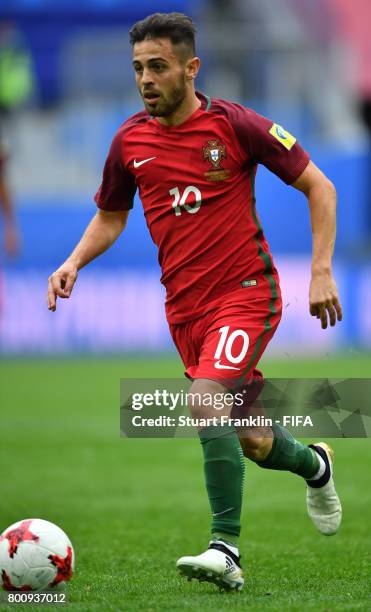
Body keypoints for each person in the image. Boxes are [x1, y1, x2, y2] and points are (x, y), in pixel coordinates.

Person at [47, 12, 343, 592]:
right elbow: (112, 215)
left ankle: (224, 550)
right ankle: (317, 464)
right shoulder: (129, 141)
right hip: (185, 313)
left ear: (191, 67)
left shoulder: (236, 126)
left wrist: (321, 271)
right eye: (137, 68)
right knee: (253, 440)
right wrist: (73, 261)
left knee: (206, 402)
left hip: (246, 293)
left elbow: (320, 185)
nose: (145, 79)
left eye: (158, 66)